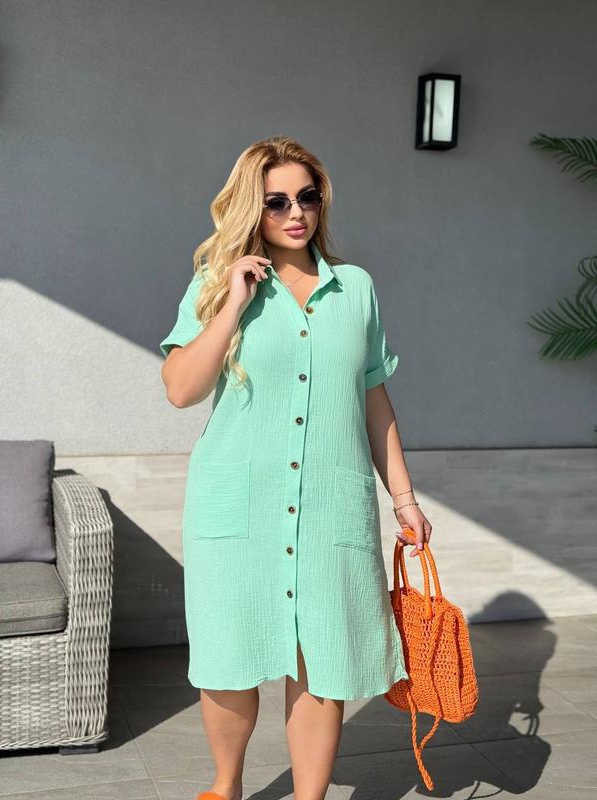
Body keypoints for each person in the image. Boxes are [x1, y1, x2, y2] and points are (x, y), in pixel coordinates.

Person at [159, 135, 433, 800]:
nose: (295, 212)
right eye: (276, 201)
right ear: (252, 207)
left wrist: (403, 498)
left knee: (323, 660)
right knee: (229, 657)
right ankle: (226, 785)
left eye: (307, 197)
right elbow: (181, 388)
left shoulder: (356, 289)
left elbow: (373, 397)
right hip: (238, 503)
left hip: (330, 505)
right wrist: (233, 303)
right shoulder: (216, 283)